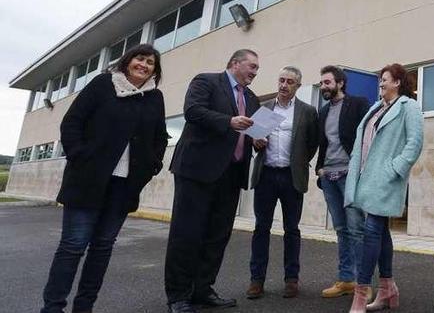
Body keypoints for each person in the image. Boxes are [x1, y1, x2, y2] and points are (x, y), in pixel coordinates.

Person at [41, 44, 168, 313]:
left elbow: (160, 137)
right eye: (139, 58)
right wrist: (79, 155)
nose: (144, 65)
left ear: (154, 70)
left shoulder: (154, 98)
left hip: (124, 186)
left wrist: (151, 167)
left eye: (150, 62)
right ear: (128, 60)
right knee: (73, 246)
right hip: (88, 180)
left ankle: (84, 307)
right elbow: (72, 122)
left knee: (102, 247)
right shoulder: (103, 84)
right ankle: (52, 308)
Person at [164, 49, 261, 313]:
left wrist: (257, 140)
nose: (254, 72)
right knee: (187, 234)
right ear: (234, 63)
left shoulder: (251, 98)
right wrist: (228, 121)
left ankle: (202, 289)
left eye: (256, 69)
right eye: (251, 66)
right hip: (197, 171)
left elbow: (247, 132)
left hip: (231, 175)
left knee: (217, 236)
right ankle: (178, 296)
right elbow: (193, 112)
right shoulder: (206, 81)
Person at [344, 63, 424, 312]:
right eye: (380, 80)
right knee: (380, 232)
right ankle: (388, 288)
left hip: (386, 180)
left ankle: (360, 293)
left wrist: (395, 169)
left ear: (398, 82)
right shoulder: (376, 109)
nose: (380, 83)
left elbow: (415, 142)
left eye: (385, 80)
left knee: (371, 231)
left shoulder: (409, 106)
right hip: (366, 179)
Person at [246, 66, 319, 300]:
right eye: (281, 80)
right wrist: (256, 143)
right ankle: (256, 280)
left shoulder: (307, 111)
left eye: (289, 82)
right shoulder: (265, 109)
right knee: (261, 228)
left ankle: (291, 280)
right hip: (266, 175)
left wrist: (298, 162)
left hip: (291, 177)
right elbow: (253, 139)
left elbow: (312, 143)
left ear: (297, 86)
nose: (284, 85)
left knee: (292, 230)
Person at [315, 65, 370, 299]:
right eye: (321, 83)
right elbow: (324, 142)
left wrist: (363, 169)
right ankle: (346, 279)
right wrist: (319, 167)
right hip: (329, 176)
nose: (323, 86)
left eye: (327, 82)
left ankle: (363, 285)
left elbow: (368, 137)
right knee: (341, 229)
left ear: (340, 83)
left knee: (357, 229)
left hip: (350, 174)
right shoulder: (324, 111)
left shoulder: (358, 104)